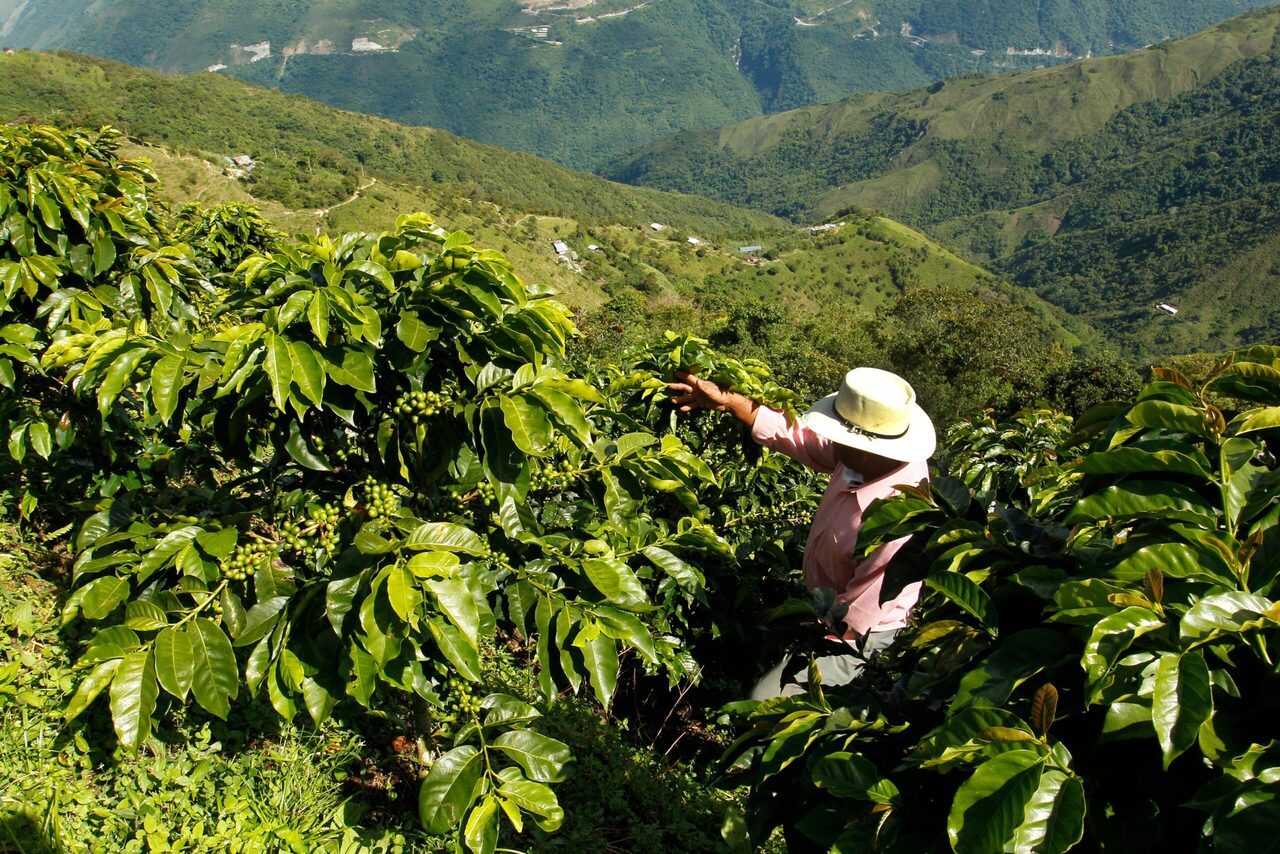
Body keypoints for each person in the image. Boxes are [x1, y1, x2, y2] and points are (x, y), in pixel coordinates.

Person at [668, 366, 935, 699]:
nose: (831, 440)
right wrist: (727, 401)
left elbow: (858, 617)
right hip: (825, 606)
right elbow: (798, 437)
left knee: (764, 702)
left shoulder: (899, 522)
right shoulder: (863, 459)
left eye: (840, 436)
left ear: (867, 448)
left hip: (859, 636)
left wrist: (803, 626)